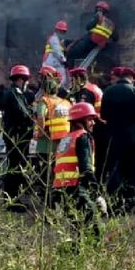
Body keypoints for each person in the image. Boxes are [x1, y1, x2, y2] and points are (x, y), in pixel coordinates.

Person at [53, 102, 107, 238]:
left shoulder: (66, 138)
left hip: (61, 189)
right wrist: (97, 194)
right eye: (90, 119)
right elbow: (86, 168)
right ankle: (94, 256)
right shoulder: (83, 137)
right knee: (95, 228)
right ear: (80, 121)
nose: (93, 123)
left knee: (76, 229)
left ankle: (74, 255)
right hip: (76, 188)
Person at [100, 67, 135, 212]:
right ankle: (128, 203)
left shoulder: (109, 91)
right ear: (132, 78)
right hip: (132, 138)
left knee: (115, 169)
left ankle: (113, 202)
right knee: (131, 171)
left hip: (113, 138)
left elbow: (103, 114)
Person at [1, 64, 35, 211]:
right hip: (16, 136)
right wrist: (33, 110)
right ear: (22, 79)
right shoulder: (14, 94)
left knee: (16, 167)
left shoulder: (17, 94)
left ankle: (14, 199)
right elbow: (23, 114)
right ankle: (11, 201)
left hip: (18, 136)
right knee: (15, 168)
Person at [33, 65, 72, 188]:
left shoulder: (44, 101)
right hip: (64, 143)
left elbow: (40, 117)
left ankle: (46, 193)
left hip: (46, 143)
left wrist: (39, 133)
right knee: (58, 169)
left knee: (45, 171)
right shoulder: (66, 103)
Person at [67, 67, 107, 179]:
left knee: (89, 158)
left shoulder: (85, 92)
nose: (71, 82)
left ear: (79, 79)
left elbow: (82, 113)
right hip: (98, 127)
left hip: (92, 128)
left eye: (73, 79)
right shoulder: (94, 89)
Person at [42, 20, 69, 86]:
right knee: (61, 80)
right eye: (61, 31)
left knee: (58, 80)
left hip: (54, 64)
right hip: (52, 64)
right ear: (57, 30)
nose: (62, 33)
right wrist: (64, 61)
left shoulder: (59, 40)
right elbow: (57, 51)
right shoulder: (54, 38)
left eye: (63, 31)